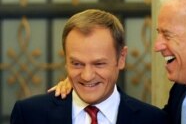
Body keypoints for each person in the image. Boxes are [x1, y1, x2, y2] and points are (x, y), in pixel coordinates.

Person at [49, 0, 186, 124]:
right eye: (158, 33)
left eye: (167, 34)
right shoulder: (181, 91)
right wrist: (83, 83)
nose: (157, 46)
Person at [10, 9, 168, 124]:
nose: (87, 76)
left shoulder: (153, 120)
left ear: (121, 58)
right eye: (77, 64)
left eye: (98, 64)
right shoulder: (29, 115)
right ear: (65, 60)